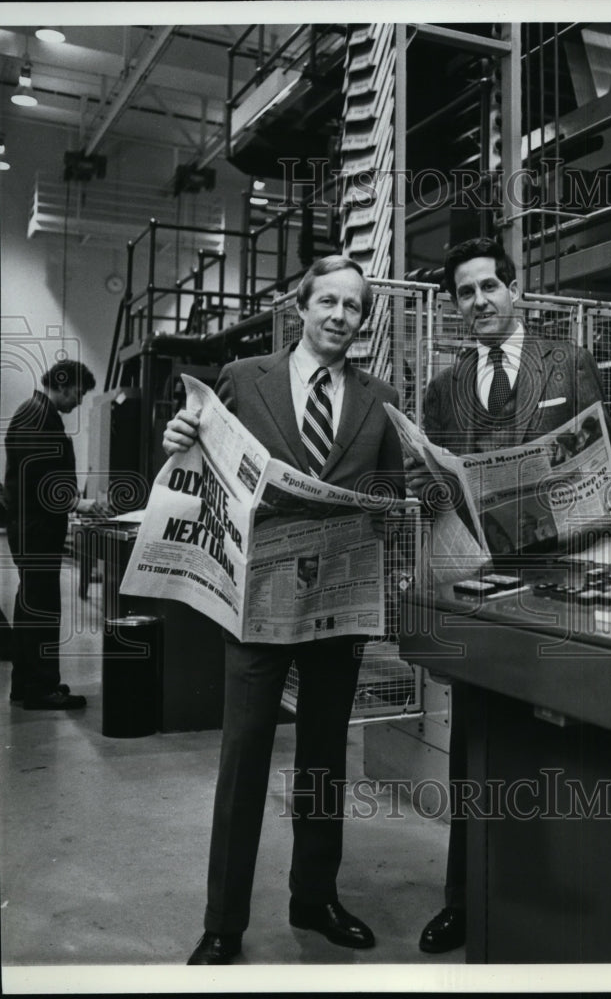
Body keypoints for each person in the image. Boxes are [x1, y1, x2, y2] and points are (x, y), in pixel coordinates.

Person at [163, 256, 404, 965]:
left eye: (353, 307)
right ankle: (223, 922)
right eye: (326, 301)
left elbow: (389, 495)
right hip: (259, 598)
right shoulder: (243, 379)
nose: (338, 316)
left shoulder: (380, 397)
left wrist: (401, 506)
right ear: (300, 308)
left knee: (325, 757)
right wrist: (175, 440)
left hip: (337, 603)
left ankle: (315, 898)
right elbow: (195, 463)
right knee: (244, 756)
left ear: (364, 320)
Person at [406, 237, 611, 953]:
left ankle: (566, 895)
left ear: (515, 291)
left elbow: (604, 459)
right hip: (480, 578)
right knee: (473, 738)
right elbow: (439, 483)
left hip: (560, 578)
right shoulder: (443, 387)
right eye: (465, 293)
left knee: (559, 736)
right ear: (454, 306)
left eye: (488, 288)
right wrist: (424, 489)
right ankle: (464, 898)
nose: (478, 302)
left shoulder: (566, 363)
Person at [5, 359, 100, 710]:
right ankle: (38, 688)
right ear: (62, 383)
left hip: (33, 529)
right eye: (79, 391)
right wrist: (79, 502)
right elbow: (41, 480)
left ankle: (27, 684)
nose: (79, 400)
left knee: (32, 605)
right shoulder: (36, 416)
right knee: (41, 608)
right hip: (35, 531)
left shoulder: (37, 414)